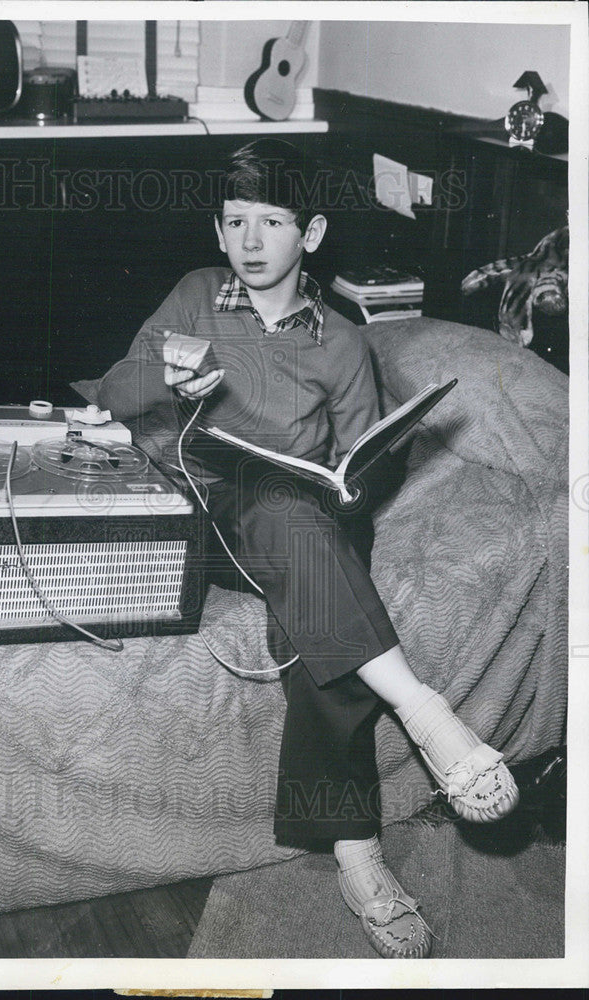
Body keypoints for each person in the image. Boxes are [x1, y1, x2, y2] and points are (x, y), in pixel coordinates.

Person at [88, 138, 519, 959]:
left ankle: (356, 853)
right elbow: (112, 391)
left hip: (297, 517)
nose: (250, 240)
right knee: (297, 535)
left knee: (308, 566)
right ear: (217, 234)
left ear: (310, 234)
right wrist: (166, 381)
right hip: (205, 510)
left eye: (272, 221)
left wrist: (353, 483)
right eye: (234, 221)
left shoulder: (343, 342)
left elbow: (364, 458)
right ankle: (423, 711)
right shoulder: (193, 296)